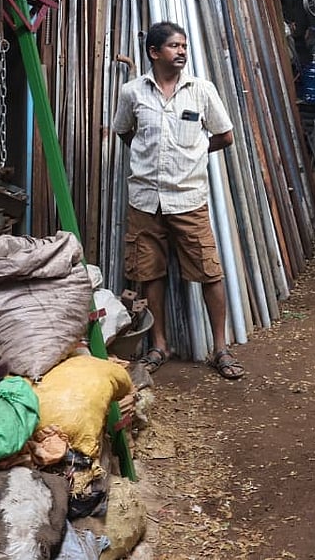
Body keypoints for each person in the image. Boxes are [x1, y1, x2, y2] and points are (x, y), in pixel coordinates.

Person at [112, 22, 244, 380]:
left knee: (209, 272)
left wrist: (193, 153)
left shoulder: (200, 91)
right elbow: (124, 132)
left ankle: (220, 348)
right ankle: (160, 345)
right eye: (174, 46)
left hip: (188, 198)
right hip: (145, 201)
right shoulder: (132, 93)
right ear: (154, 52)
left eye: (184, 45)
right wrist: (148, 157)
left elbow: (225, 136)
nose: (182, 51)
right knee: (150, 272)